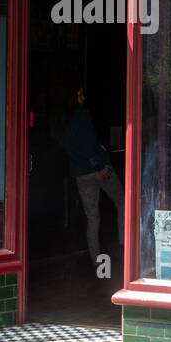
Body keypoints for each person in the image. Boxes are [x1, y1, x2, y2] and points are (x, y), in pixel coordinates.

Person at [61, 85, 124, 263]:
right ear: (76, 97)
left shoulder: (65, 119)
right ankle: (124, 246)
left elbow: (68, 145)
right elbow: (89, 144)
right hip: (98, 170)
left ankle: (96, 259)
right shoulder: (83, 115)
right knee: (123, 202)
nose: (83, 96)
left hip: (81, 175)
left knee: (92, 217)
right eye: (80, 93)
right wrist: (100, 163)